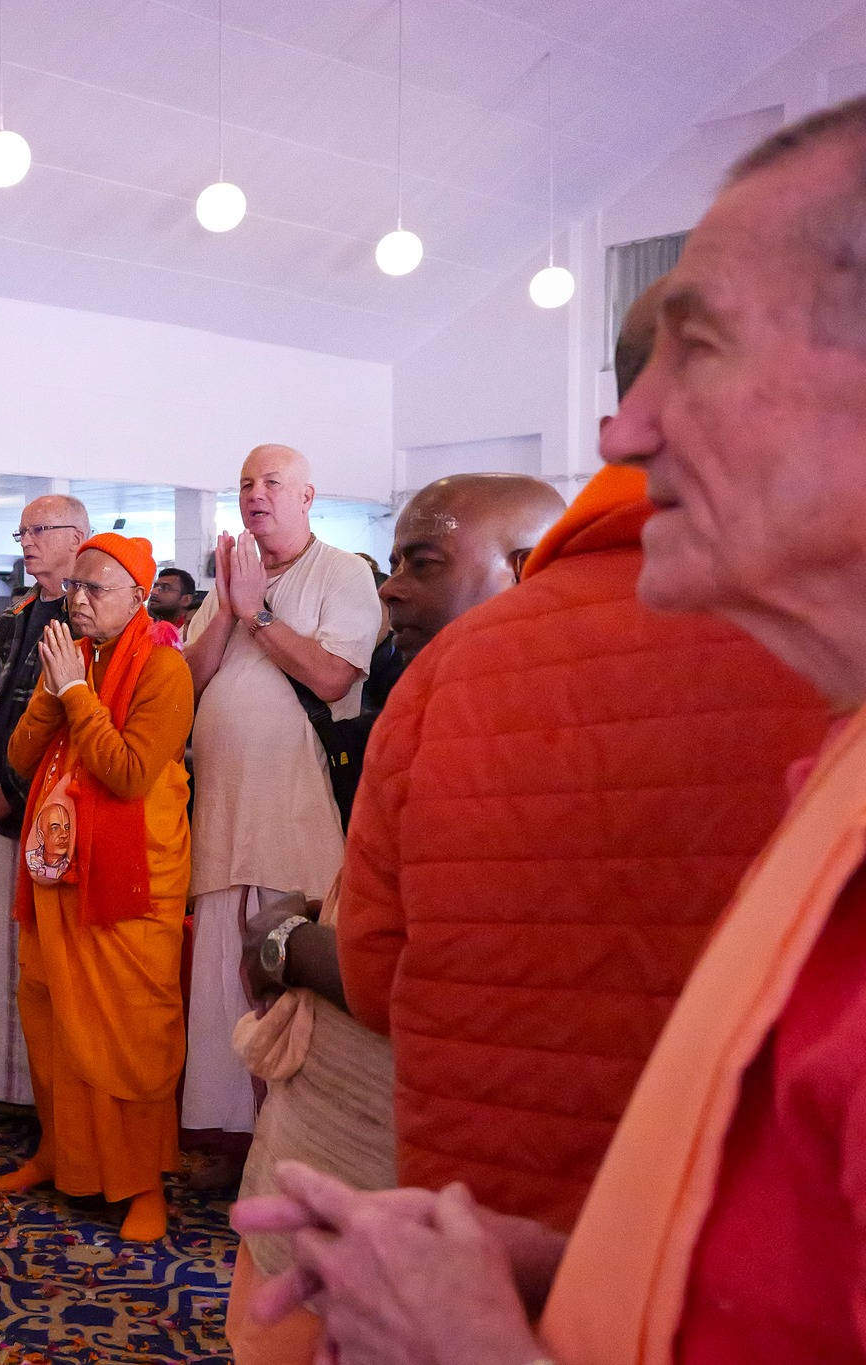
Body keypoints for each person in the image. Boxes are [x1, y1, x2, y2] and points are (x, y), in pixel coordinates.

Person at [234, 96, 866, 1365]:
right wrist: (590, 1273)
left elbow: (385, 972)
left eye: (700, 352)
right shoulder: (837, 748)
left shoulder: (460, 667)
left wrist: (480, 1345)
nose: (622, 432)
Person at [222, 473, 567, 1363]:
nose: (392, 589)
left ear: (524, 568)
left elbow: (428, 968)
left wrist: (289, 944)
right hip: (352, 1101)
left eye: (425, 562)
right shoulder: (443, 691)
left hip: (405, 1117)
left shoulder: (529, 722)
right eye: (396, 562)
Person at [179, 444, 382, 1186]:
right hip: (223, 815)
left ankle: (287, 1147)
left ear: (307, 496)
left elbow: (331, 678)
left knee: (284, 982)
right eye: (245, 483)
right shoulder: (234, 573)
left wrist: (258, 612)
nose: (255, 493)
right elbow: (189, 682)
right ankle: (230, 1138)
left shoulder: (343, 572)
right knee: (217, 985)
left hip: (295, 810)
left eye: (271, 482)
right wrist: (229, 605)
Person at [0, 533, 194, 1241]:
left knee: (128, 1032)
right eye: (73, 586)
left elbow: (129, 773)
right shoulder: (74, 658)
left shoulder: (165, 669)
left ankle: (142, 1183)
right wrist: (58, 691)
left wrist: (75, 692)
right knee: (50, 1018)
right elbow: (20, 756)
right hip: (57, 872)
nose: (76, 599)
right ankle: (60, 1152)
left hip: (128, 885)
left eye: (94, 588)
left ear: (138, 596)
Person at [0, 494, 91, 1117]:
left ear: (78, 537)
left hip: (53, 817)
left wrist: (13, 790)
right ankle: (4, 1091)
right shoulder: (14, 619)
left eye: (39, 529)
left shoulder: (89, 617)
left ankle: (52, 1101)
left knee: (47, 964)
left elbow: (71, 724)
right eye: (23, 532)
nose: (28, 541)